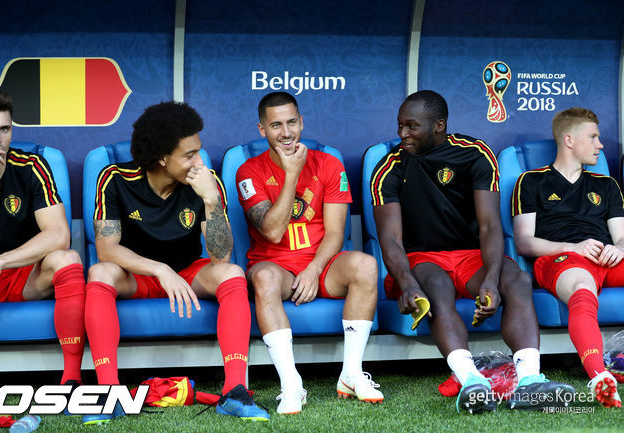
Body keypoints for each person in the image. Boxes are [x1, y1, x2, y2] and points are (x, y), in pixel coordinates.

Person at [371, 90, 574, 413]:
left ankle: (529, 381)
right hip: (421, 259)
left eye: (412, 127)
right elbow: (391, 240)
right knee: (436, 287)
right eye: (400, 126)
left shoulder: (475, 153)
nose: (402, 134)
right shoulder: (389, 167)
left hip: (470, 256)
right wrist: (407, 283)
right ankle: (471, 382)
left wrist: (491, 280)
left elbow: (490, 227)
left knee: (516, 279)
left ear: (439, 125)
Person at [84, 101, 269, 424]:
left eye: (198, 151)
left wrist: (211, 201)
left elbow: (220, 255)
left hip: (187, 273)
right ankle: (108, 392)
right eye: (189, 155)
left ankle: (235, 390)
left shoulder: (205, 180)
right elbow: (107, 249)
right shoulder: (114, 178)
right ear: (161, 157)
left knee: (232, 273)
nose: (198, 161)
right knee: (100, 272)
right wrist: (159, 269)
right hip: (136, 272)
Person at [236, 91, 383, 415]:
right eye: (275, 125)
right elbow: (271, 230)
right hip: (275, 265)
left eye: (291, 122)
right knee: (263, 279)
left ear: (302, 122)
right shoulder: (248, 171)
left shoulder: (329, 164)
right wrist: (291, 174)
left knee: (365, 265)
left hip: (322, 264)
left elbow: (335, 232)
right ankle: (291, 385)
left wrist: (315, 269)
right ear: (262, 129)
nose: (286, 132)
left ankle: (351, 374)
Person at [0, 88, 86, 388]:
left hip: (19, 274)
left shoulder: (32, 166)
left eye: (4, 129)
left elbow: (59, 235)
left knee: (67, 258)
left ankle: (71, 379)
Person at [512, 107, 622, 408]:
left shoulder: (606, 185)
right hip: (562, 259)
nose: (600, 145)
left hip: (606, 258)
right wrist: (571, 248)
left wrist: (619, 249)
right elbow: (523, 242)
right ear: (569, 140)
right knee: (582, 290)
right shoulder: (531, 181)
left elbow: (621, 235)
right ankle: (600, 375)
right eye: (594, 137)